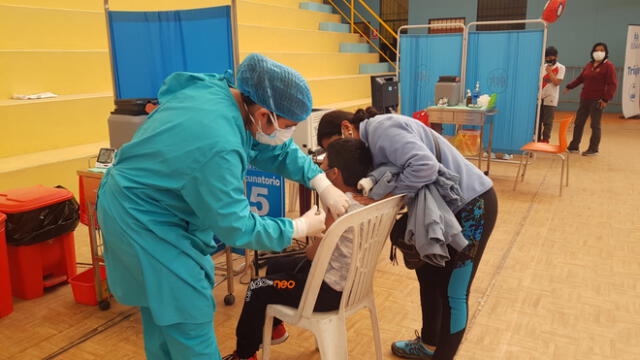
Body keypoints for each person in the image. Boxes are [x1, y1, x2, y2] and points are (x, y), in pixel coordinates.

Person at [97, 53, 351, 360]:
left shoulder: (227, 96)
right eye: (286, 126)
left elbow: (274, 149)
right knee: (186, 314)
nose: (286, 135)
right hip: (142, 220)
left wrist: (318, 181)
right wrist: (298, 227)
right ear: (263, 115)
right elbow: (236, 226)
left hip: (141, 204)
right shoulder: (218, 143)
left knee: (162, 314)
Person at [317, 108, 498, 360]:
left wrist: (384, 199)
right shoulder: (369, 146)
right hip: (444, 211)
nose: (337, 158)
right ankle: (428, 344)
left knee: (453, 293)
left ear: (347, 128)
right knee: (429, 277)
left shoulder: (382, 129)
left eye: (335, 147)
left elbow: (425, 166)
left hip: (472, 208)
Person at [223, 138, 375, 360]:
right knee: (277, 264)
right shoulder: (366, 199)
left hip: (327, 291)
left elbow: (312, 255)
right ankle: (275, 329)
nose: (320, 169)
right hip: (352, 284)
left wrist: (308, 233)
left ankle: (244, 355)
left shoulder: (337, 208)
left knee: (257, 287)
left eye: (324, 165)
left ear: (335, 174)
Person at [564, 42, 618, 156]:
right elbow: (580, 78)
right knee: (578, 123)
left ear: (606, 52)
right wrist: (569, 86)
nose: (599, 52)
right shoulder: (589, 64)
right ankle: (574, 146)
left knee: (595, 125)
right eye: (597, 50)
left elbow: (612, 84)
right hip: (585, 98)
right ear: (593, 52)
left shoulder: (609, 66)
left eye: (602, 50)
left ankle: (593, 149)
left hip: (598, 100)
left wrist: (605, 99)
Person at [538, 46, 566, 143]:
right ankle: (536, 138)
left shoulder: (561, 67)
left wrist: (549, 72)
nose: (549, 59)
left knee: (548, 121)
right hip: (539, 97)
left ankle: (545, 139)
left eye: (551, 57)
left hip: (551, 97)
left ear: (556, 57)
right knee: (538, 120)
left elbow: (556, 82)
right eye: (547, 57)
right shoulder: (542, 67)